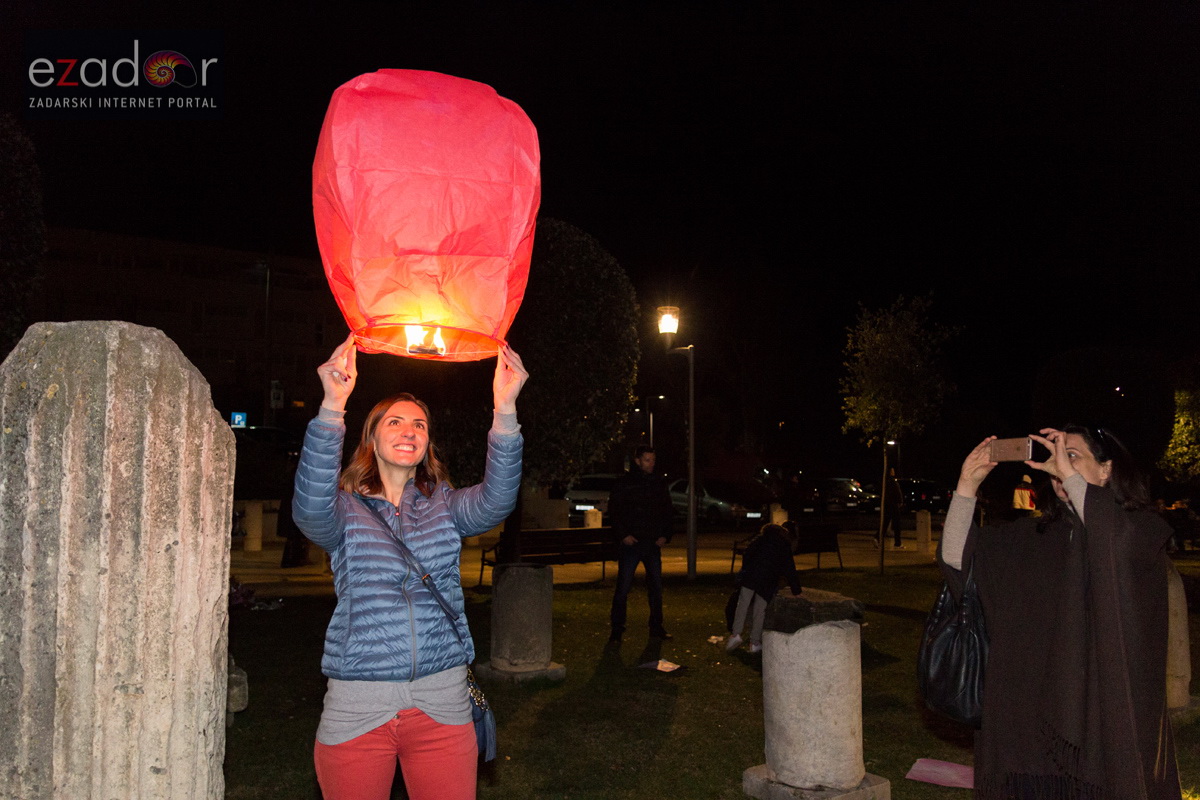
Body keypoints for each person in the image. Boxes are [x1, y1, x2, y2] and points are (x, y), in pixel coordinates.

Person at [292, 334, 528, 800]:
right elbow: (308, 508)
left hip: (442, 704)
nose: (409, 431)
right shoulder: (344, 510)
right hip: (359, 705)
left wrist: (505, 410)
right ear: (372, 437)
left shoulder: (445, 505)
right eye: (395, 422)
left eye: (419, 425)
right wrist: (332, 406)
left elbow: (499, 497)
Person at [940, 425, 1181, 799]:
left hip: (1096, 731)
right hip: (1025, 735)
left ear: (1106, 470)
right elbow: (960, 566)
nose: (1056, 466)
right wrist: (966, 487)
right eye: (1055, 456)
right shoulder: (1029, 537)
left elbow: (1110, 541)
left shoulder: (1138, 533)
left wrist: (1069, 477)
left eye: (1072, 456)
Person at [608, 444, 675, 643]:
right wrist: (623, 535)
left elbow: (667, 509)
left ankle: (656, 626)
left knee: (655, 587)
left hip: (651, 542)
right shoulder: (625, 483)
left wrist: (665, 534)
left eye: (653, 460)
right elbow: (615, 510)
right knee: (623, 587)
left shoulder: (658, 483)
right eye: (647, 460)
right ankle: (617, 628)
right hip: (632, 543)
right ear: (638, 461)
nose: (651, 464)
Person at [726, 523, 802, 653]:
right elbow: (789, 568)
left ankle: (736, 634)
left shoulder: (759, 540)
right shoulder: (784, 545)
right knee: (760, 610)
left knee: (743, 604)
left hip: (751, 576)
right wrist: (796, 590)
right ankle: (754, 642)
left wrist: (747, 570)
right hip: (768, 580)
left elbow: (747, 555)